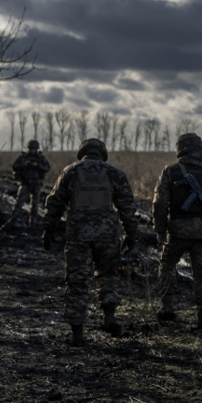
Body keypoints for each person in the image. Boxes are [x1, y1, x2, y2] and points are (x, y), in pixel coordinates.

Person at [42, 138, 139, 347]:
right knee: (108, 276)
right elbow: (128, 207)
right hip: (108, 236)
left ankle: (77, 333)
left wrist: (48, 229)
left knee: (77, 282)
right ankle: (109, 317)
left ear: (82, 152)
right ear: (102, 153)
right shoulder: (115, 173)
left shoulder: (70, 172)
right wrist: (132, 234)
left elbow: (54, 203)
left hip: (78, 236)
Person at [152, 132, 202, 335]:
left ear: (180, 149)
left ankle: (167, 308)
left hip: (177, 232)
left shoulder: (170, 172)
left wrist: (160, 230)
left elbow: (159, 202)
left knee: (167, 265)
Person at [10, 140, 51, 228]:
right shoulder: (23, 157)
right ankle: (12, 222)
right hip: (25, 183)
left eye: (34, 149)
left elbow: (47, 168)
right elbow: (14, 166)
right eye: (31, 148)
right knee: (18, 203)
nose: (33, 150)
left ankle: (32, 224)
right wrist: (24, 165)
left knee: (34, 206)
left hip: (36, 184)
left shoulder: (41, 158)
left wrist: (37, 165)